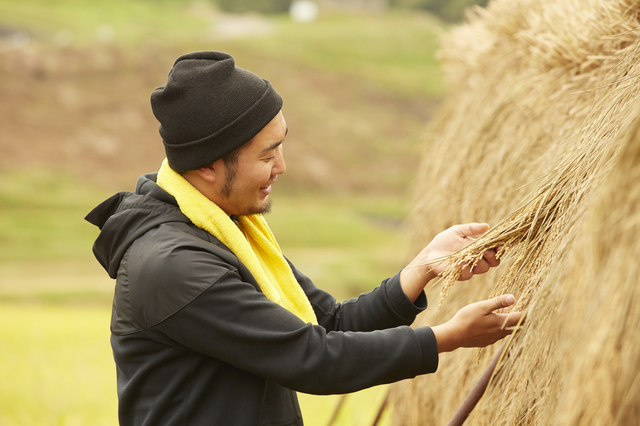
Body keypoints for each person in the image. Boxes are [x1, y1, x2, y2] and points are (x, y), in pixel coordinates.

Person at [86, 51, 522, 426]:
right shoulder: (175, 266)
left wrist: (423, 267)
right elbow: (314, 358)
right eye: (267, 154)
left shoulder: (230, 233)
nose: (282, 166)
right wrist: (448, 336)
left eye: (281, 146)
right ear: (207, 167)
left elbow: (329, 322)